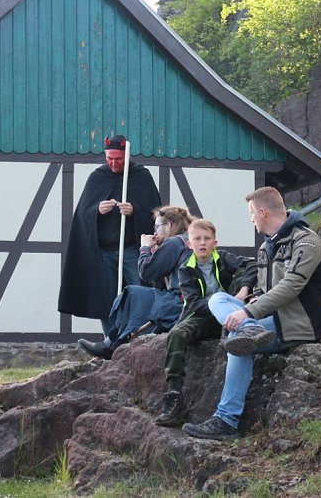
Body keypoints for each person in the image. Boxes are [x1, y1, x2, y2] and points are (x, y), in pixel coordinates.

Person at [182, 187, 321, 440]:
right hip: (267, 320)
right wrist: (246, 302)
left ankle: (226, 421)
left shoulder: (307, 241)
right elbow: (264, 291)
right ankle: (250, 329)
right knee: (218, 299)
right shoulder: (265, 248)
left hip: (296, 325)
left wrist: (248, 312)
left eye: (251, 213)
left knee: (240, 341)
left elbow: (291, 286)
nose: (250, 219)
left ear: (263, 212)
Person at [155, 218, 257, 427]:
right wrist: (216, 307)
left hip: (232, 312)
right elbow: (193, 304)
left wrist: (244, 289)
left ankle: (236, 333)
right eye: (197, 239)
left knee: (241, 274)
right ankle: (174, 395)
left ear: (215, 243)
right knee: (176, 335)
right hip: (202, 316)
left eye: (207, 239)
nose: (202, 243)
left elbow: (253, 264)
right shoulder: (186, 269)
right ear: (189, 244)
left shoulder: (225, 258)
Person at [58, 134, 161, 334]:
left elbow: (156, 213)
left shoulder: (141, 176)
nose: (114, 163)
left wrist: (134, 211)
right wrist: (96, 210)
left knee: (143, 294)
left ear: (127, 156)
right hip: (104, 253)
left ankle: (145, 341)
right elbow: (82, 215)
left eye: (118, 159)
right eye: (109, 158)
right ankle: (111, 342)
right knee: (106, 300)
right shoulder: (98, 177)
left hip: (132, 250)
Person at [77, 206, 194, 359]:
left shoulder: (174, 243)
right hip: (186, 302)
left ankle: (111, 344)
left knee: (131, 294)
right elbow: (157, 281)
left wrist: (144, 248)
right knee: (141, 298)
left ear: (169, 226)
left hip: (179, 303)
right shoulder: (186, 240)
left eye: (157, 227)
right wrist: (156, 253)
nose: (154, 232)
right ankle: (117, 343)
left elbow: (146, 273)